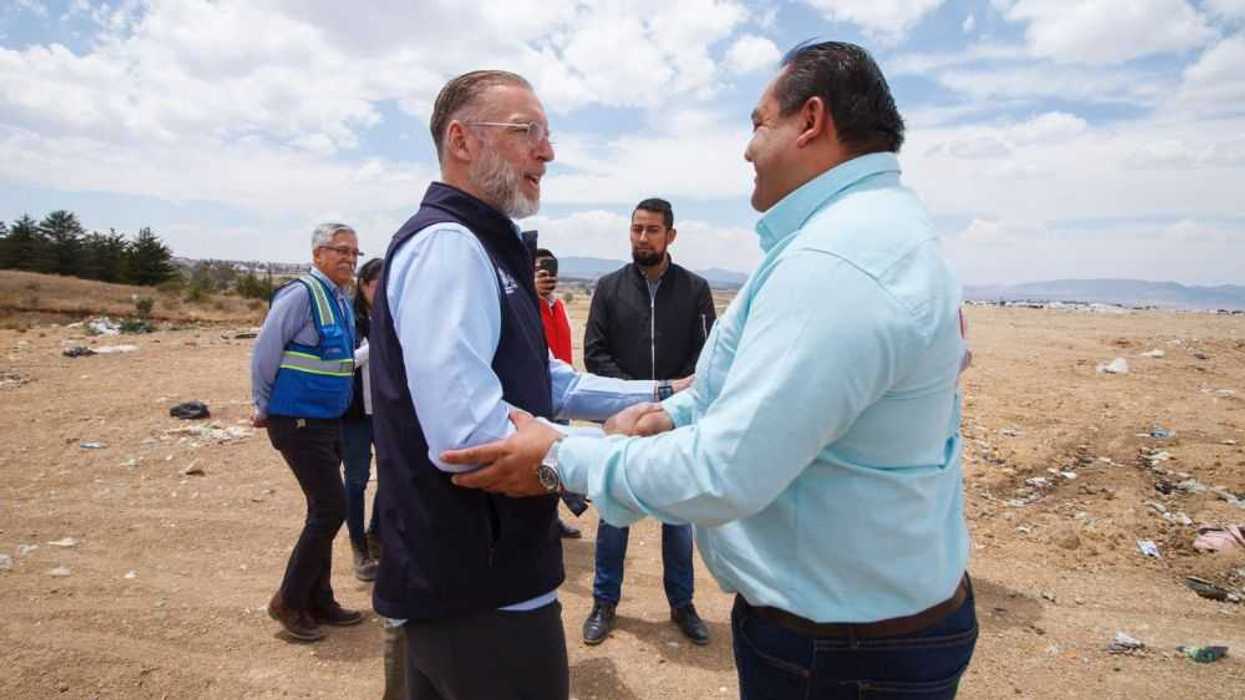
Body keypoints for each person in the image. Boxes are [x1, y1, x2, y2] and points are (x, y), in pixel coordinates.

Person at [443, 41, 978, 699]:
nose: (747, 148)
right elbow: (742, 383)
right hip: (852, 625)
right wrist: (672, 413)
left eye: (758, 122)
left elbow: (725, 472)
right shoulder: (852, 238)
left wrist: (561, 458)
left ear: (809, 121)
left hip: (845, 651)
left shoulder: (839, 264)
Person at [368, 69, 685, 700]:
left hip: (482, 581)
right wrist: (606, 455)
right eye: (526, 132)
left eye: (547, 134)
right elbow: (469, 436)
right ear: (462, 141)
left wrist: (664, 395)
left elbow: (544, 379)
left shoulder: (487, 246)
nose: (548, 150)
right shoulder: (450, 246)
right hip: (475, 593)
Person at [580, 197, 716, 647]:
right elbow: (595, 355)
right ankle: (604, 602)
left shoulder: (695, 290)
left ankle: (682, 604)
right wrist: (640, 398)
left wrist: (672, 406)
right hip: (625, 423)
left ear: (670, 235)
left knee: (677, 518)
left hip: (675, 424)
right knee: (613, 515)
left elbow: (706, 360)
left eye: (652, 230)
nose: (643, 237)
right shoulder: (609, 288)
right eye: (637, 229)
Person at [251, 222, 366, 643]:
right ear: (317, 254)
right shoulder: (301, 294)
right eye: (339, 250)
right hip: (296, 419)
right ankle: (289, 600)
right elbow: (266, 350)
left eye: (354, 252)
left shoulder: (340, 299)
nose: (349, 259)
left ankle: (320, 599)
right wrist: (262, 404)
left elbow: (335, 359)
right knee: (330, 507)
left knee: (322, 508)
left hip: (326, 419)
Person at [533, 247, 586, 540]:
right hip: (539, 395)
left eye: (551, 269)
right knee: (540, 462)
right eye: (540, 269)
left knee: (557, 461)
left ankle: (551, 519)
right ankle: (542, 521)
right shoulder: (526, 304)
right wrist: (532, 294)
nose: (547, 275)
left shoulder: (558, 306)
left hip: (562, 395)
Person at [340, 258, 384, 581]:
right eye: (375, 285)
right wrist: (371, 350)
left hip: (386, 414)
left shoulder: (394, 318)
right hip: (354, 415)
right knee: (355, 481)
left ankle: (376, 534)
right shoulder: (348, 319)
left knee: (392, 476)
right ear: (363, 285)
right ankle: (358, 547)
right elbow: (340, 362)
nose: (381, 291)